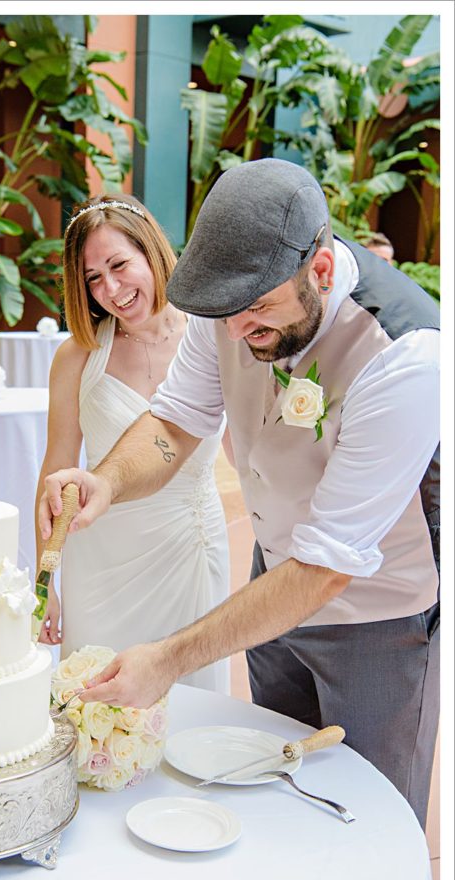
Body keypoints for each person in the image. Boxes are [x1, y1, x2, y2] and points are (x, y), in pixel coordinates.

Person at [40, 160, 440, 828]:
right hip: (270, 594)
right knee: (273, 804)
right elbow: (174, 423)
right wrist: (105, 480)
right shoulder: (228, 305)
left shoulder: (405, 357)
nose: (232, 332)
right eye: (223, 312)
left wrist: (168, 659)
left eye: (255, 310)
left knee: (367, 821)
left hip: (376, 622)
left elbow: (326, 566)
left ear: (318, 268)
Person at [34, 195, 231, 693]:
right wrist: (44, 585)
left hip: (189, 546)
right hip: (100, 561)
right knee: (96, 705)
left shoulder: (213, 338)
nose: (112, 289)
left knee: (192, 705)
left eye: (119, 264)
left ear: (151, 252)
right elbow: (55, 471)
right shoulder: (77, 356)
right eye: (93, 278)